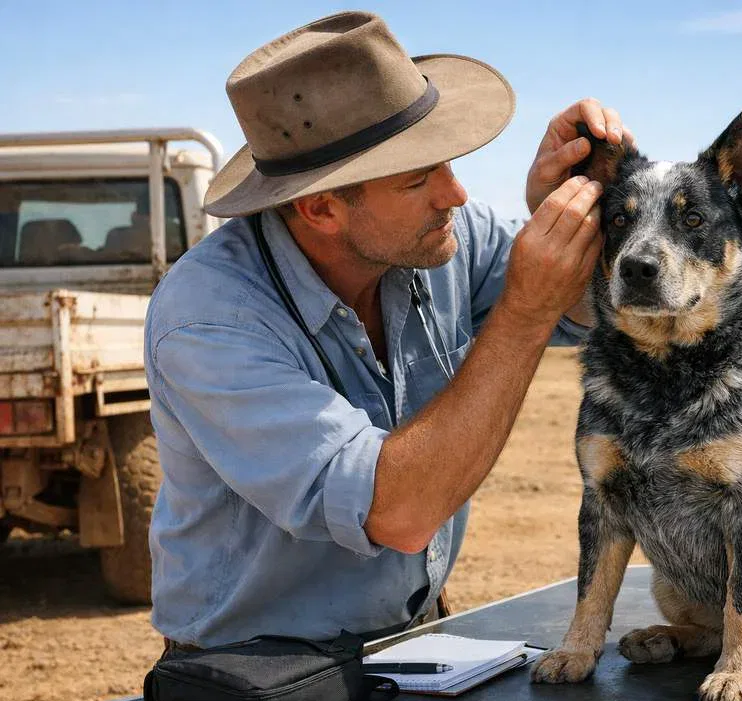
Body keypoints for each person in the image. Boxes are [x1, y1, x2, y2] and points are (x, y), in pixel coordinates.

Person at [145, 11, 631, 650]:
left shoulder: (435, 238)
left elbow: (589, 308)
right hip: (252, 675)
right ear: (320, 208)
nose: (455, 195)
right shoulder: (210, 322)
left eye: (447, 164)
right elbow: (395, 513)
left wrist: (582, 212)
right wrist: (522, 315)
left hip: (413, 638)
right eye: (418, 178)